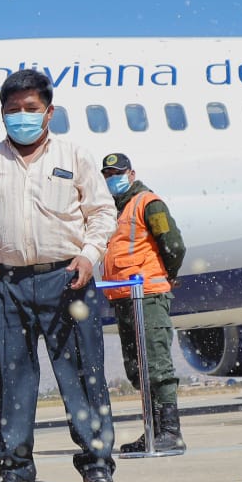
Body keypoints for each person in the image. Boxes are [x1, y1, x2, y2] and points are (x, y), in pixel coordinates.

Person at [0, 68, 118, 482]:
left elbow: (101, 213)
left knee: (82, 373)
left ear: (49, 112)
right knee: (13, 379)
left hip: (67, 278)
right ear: (1, 114)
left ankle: (96, 460)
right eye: (13, 110)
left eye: (31, 109)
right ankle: (16, 469)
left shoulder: (74, 156)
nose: (21, 117)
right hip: (7, 284)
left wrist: (89, 255)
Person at [99, 153, 187, 453]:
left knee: (156, 364)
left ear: (131, 173)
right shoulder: (114, 210)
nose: (113, 179)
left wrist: (167, 275)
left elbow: (173, 244)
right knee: (138, 368)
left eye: (117, 173)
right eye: (108, 174)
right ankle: (152, 431)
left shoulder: (148, 204)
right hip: (125, 297)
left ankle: (171, 432)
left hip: (147, 295)